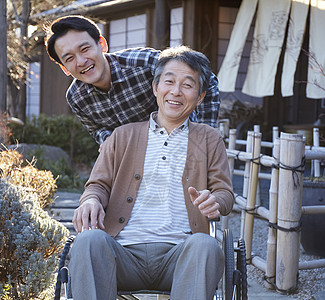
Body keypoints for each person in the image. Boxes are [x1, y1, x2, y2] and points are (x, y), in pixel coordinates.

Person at [68, 45, 234, 299]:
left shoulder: (209, 139)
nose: (176, 92)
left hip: (181, 255)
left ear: (200, 97)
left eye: (188, 85)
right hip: (122, 253)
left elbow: (224, 192)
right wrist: (90, 200)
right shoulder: (122, 135)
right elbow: (97, 185)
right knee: (87, 242)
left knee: (207, 245)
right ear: (156, 88)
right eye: (169, 81)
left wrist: (215, 201)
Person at [44, 15, 220, 145]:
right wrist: (112, 144)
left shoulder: (144, 62)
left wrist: (204, 134)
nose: (81, 61)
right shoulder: (77, 98)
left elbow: (208, 79)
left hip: (185, 146)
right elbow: (98, 130)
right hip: (137, 165)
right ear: (64, 68)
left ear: (102, 44)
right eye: (69, 58)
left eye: (84, 49)